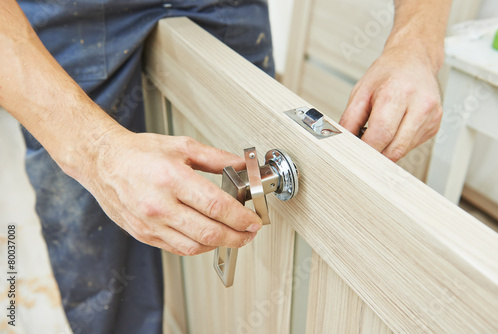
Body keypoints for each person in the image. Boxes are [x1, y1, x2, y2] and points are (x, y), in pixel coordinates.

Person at [0, 0, 451, 332]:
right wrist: (96, 152)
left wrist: (416, 43)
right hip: (61, 16)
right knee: (101, 267)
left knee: (249, 260)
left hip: (225, 7)